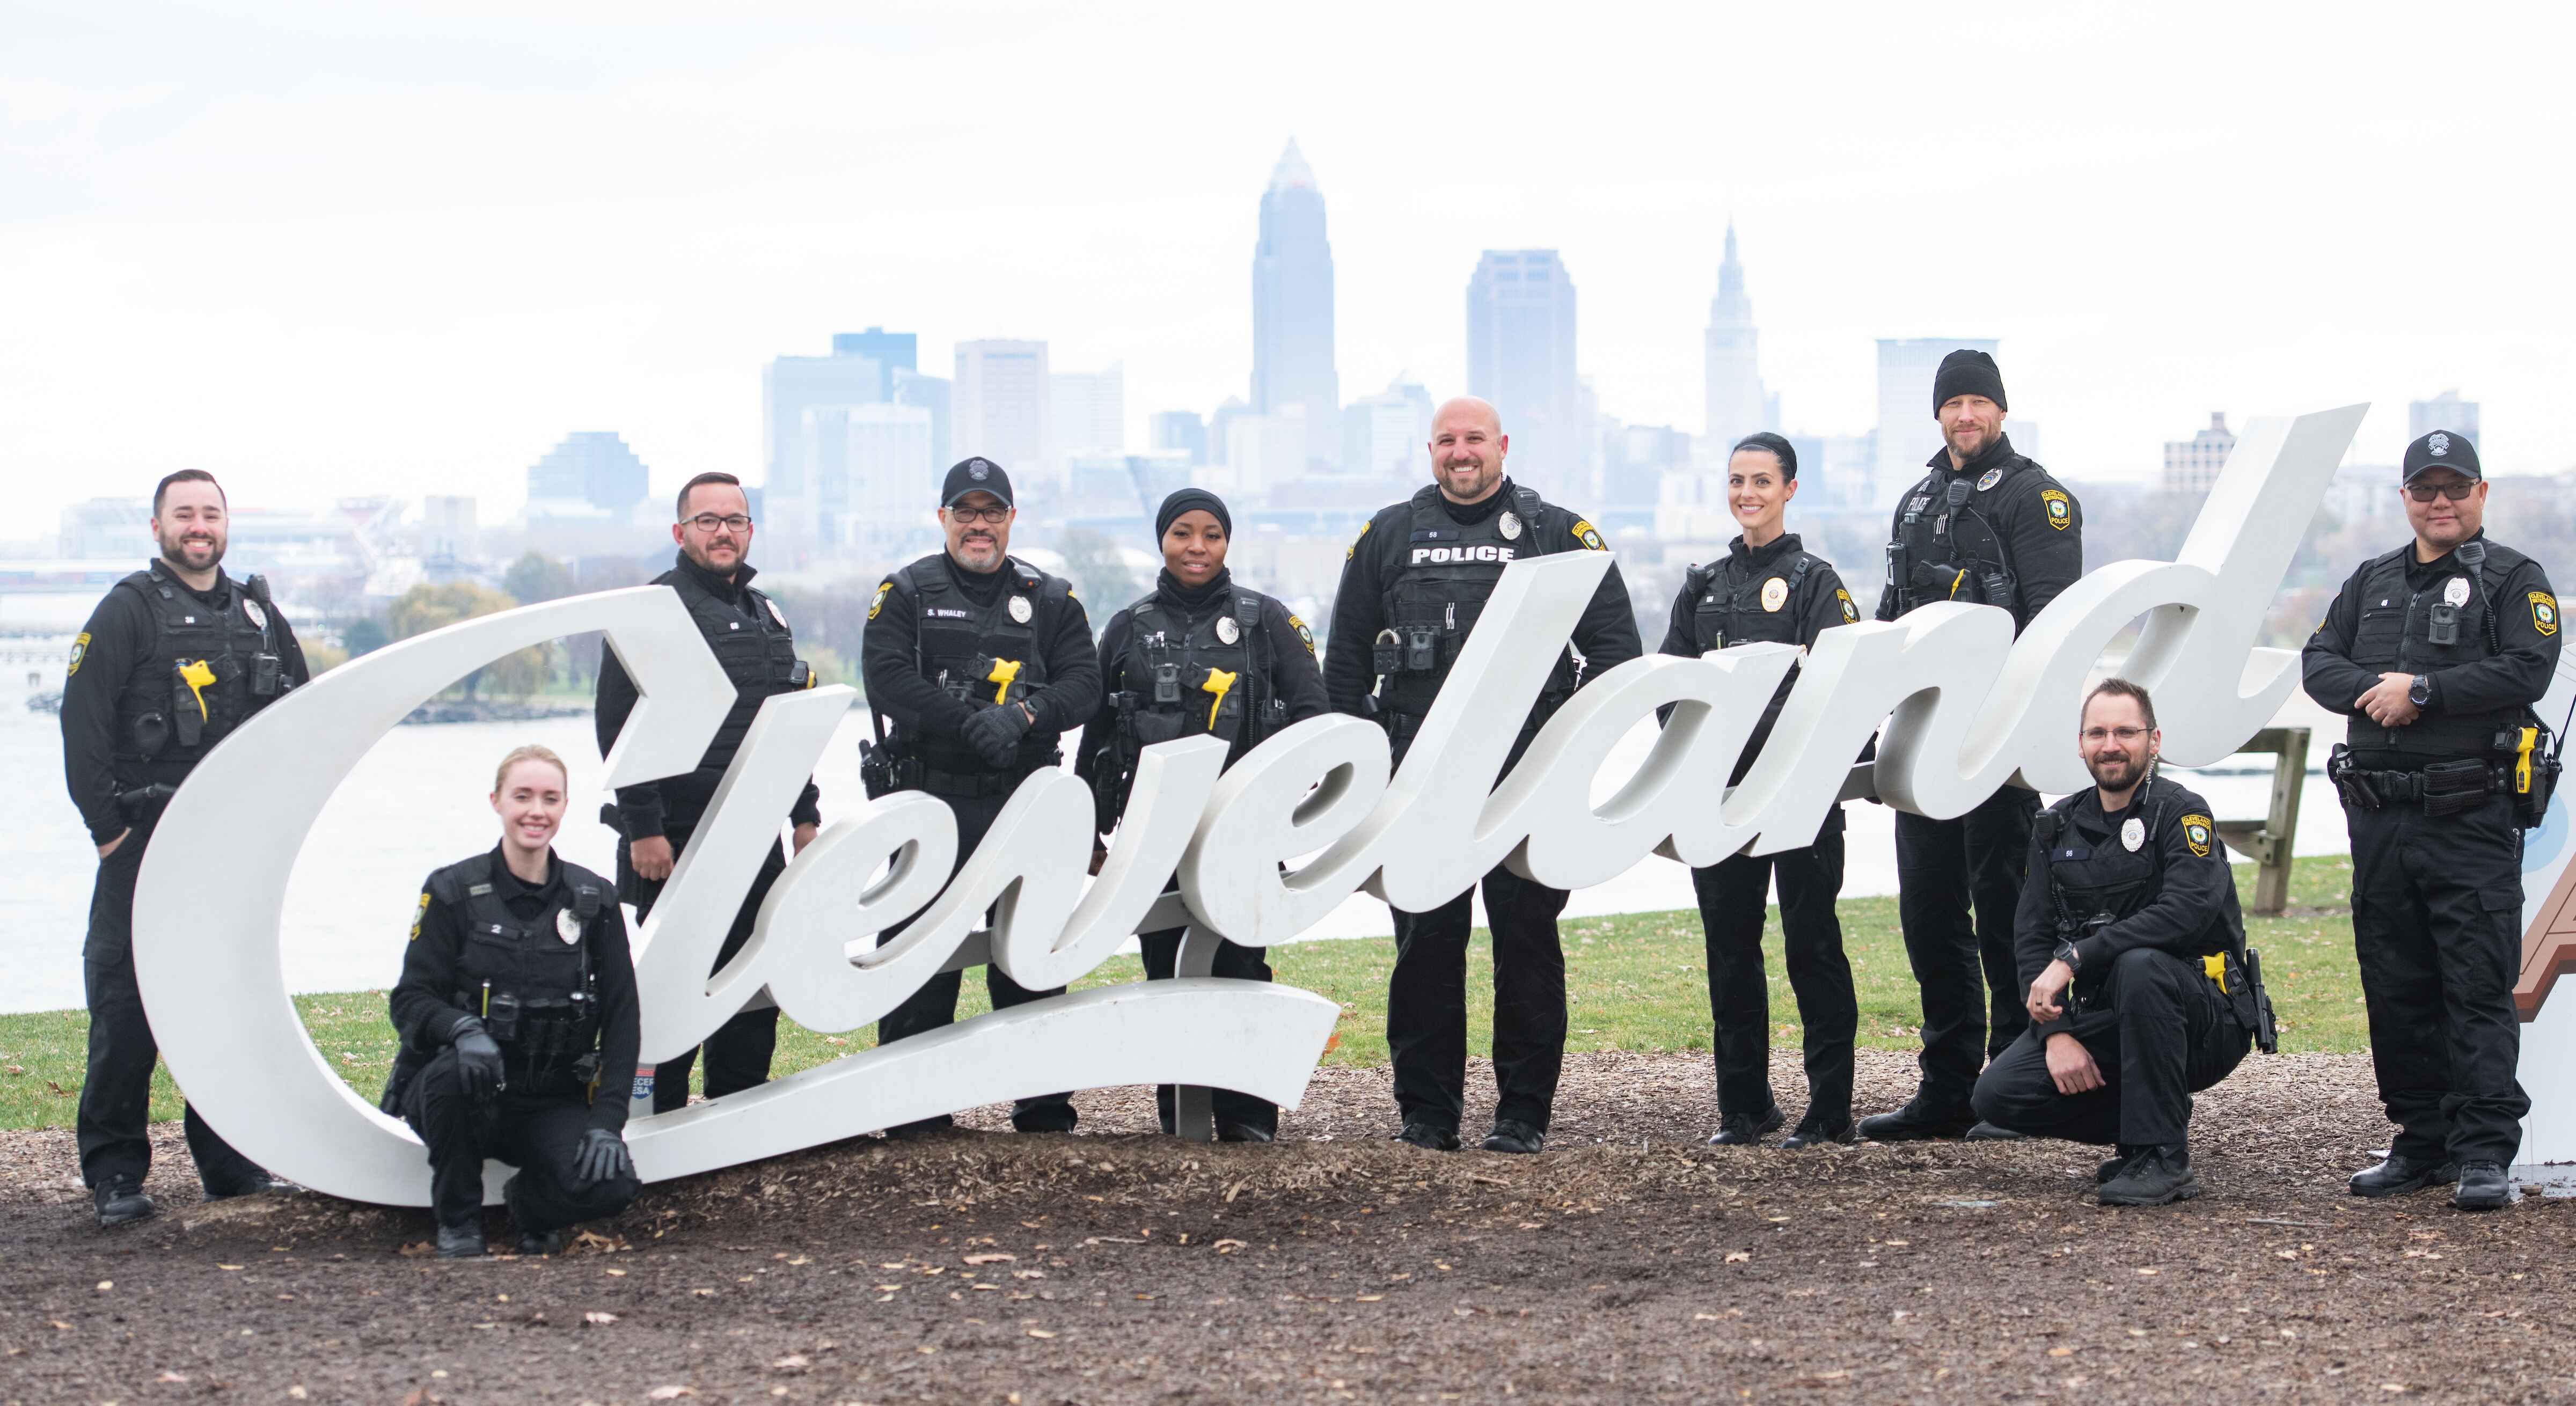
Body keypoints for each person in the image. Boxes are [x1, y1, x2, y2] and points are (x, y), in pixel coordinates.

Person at [1324, 396, 1643, 1155]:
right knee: (1425, 949)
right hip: (1419, 780)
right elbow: (1343, 668)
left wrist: (1561, 749)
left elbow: (1616, 655)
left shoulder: (1559, 534)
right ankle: (1427, 1116)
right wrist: (1359, 774)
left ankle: (1522, 1116)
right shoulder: (1388, 535)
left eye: (1473, 440)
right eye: (1446, 441)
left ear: (1503, 445)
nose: (1460, 453)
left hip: (1523, 781)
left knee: (1527, 943)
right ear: (1428, 450)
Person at [2302, 430, 2558, 1211]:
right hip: (2380, 823)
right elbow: (2318, 663)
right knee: (2398, 984)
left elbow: (2528, 667)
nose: (2440, 502)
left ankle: (2483, 1152)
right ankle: (2422, 1141)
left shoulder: (2514, 579)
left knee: (2475, 985)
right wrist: (2373, 687)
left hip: (2469, 816)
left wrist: (2423, 693)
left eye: (2455, 488)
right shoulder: (2372, 580)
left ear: (2482, 494)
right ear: (2404, 498)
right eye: (2425, 489)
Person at [60, 469, 305, 1228]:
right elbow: (84, 726)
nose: (198, 526)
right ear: (158, 526)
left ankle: (230, 1166)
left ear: (226, 525)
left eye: (210, 514)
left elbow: (304, 717)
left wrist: (283, 827)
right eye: (184, 515)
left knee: (231, 1005)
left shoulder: (259, 614)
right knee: (127, 1010)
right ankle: (115, 1174)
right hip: (142, 843)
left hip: (230, 854)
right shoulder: (128, 610)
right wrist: (109, 832)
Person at [1862, 349, 2085, 1143]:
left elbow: (2053, 630)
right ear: (1938, 414)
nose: (1966, 416)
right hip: (1925, 743)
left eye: (1977, 403)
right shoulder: (1917, 500)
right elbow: (1895, 620)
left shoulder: (2037, 498)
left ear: (2000, 410)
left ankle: (2012, 1085)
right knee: (1929, 918)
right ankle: (1947, 1088)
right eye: (1953, 403)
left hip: (1999, 745)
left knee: (2005, 918)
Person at [1075, 488, 1330, 1143]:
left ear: (1227, 543)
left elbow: (1313, 719)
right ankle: (1179, 1116)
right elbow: (1097, 734)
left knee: (1242, 970)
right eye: (1183, 533)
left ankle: (1248, 1119)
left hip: (1242, 834)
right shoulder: (1128, 627)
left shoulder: (1265, 621)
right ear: (1162, 540)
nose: (1197, 547)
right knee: (1166, 973)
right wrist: (1089, 832)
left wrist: (1289, 807)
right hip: (1151, 836)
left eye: (1211, 534)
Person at [860, 457, 1104, 1134]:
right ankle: (914, 1109)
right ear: (943, 519)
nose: (978, 524)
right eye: (964, 512)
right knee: (918, 951)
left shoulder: (1049, 596)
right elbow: (884, 679)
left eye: (991, 511)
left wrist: (1024, 717)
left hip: (1020, 801)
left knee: (1029, 951)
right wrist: (967, 721)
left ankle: (1042, 1103)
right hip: (931, 801)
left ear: (1010, 519)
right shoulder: (905, 592)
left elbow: (1086, 683)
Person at [1970, 680, 2269, 1205]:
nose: (2112, 744)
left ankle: (2163, 1155)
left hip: (2204, 1018)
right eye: (2099, 732)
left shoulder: (2183, 813)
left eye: (2126, 732)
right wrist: (2057, 1032)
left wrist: (2078, 956)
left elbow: (2186, 912)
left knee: (2141, 964)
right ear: (2081, 743)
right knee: (1999, 1094)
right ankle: (2147, 1125)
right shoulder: (2057, 824)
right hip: (2112, 1014)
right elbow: (2033, 934)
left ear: (2154, 741)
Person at [1662, 434, 1865, 1149]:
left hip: (1800, 797)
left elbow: (1842, 686)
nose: (1748, 494)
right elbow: (1671, 687)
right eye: (1737, 481)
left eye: (1762, 482)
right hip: (1719, 799)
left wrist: (1754, 725)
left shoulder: (1815, 582)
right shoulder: (1704, 585)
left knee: (1812, 947)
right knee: (1730, 950)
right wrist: (1707, 741)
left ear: (1790, 490)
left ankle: (1830, 1111)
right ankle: (1744, 1108)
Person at [595, 472, 821, 1114]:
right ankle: (657, 1121)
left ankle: (736, 1115)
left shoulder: (766, 613)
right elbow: (617, 727)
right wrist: (643, 826)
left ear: (750, 531)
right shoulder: (653, 610)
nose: (723, 532)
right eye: (708, 521)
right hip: (675, 837)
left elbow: (785, 721)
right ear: (680, 532)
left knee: (749, 986)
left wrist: (805, 815)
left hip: (757, 835)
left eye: (735, 520)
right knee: (672, 986)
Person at [386, 746, 641, 1257]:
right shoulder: (452, 891)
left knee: (611, 1186)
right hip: (462, 1093)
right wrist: (463, 1030)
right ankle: (458, 1222)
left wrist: (607, 1123)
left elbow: (621, 1018)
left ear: (565, 807)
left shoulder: (594, 901)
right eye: (522, 797)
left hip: (549, 1098)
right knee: (460, 1073)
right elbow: (410, 1000)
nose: (536, 811)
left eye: (550, 799)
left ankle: (529, 1207)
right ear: (496, 802)